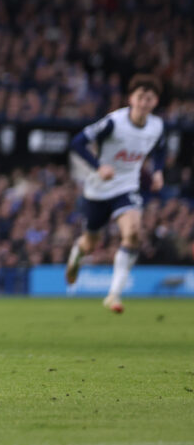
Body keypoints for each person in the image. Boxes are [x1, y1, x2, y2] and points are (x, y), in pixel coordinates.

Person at [66, 74, 164, 313]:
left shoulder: (157, 126)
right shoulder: (114, 123)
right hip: (98, 189)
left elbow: (160, 148)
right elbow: (77, 142)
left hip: (127, 187)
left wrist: (158, 171)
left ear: (155, 102)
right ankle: (77, 255)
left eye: (149, 98)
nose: (144, 102)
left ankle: (114, 295)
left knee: (133, 233)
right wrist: (98, 166)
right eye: (140, 97)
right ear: (131, 99)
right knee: (90, 243)